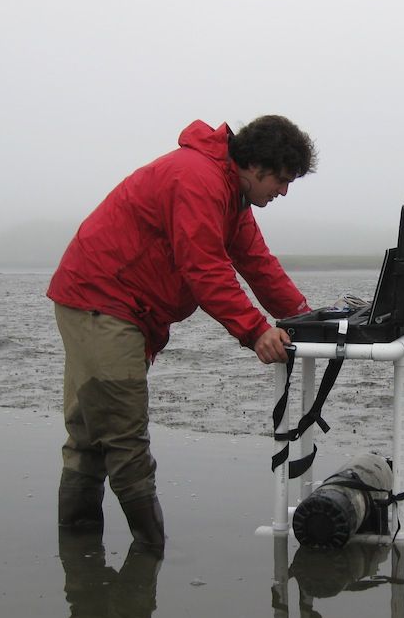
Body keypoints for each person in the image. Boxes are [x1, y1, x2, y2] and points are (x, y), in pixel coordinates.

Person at [47, 115, 317, 549]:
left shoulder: (231, 193)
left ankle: (81, 562)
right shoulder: (198, 180)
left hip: (114, 304)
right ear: (256, 166)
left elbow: (257, 263)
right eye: (281, 180)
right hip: (102, 300)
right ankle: (149, 553)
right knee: (122, 436)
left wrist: (308, 318)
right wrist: (255, 331)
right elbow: (204, 269)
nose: (282, 192)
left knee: (89, 434)